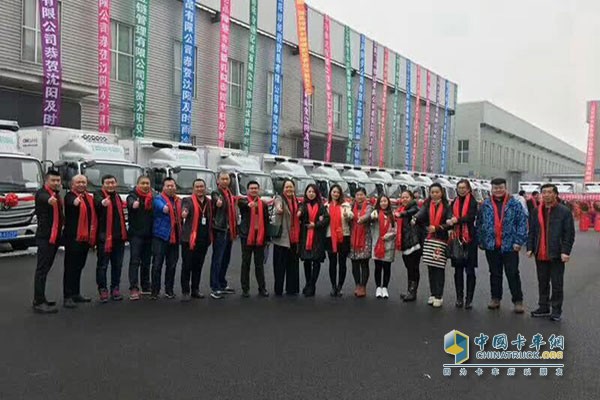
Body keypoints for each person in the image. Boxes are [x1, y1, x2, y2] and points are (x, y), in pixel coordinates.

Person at [477, 178, 528, 313]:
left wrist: (519, 241)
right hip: (491, 245)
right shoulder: (485, 204)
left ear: (505, 188)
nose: (498, 190)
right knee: (494, 273)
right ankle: (495, 298)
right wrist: (481, 240)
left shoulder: (515, 204)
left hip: (510, 245)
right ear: (491, 189)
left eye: (500, 188)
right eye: (495, 188)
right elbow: (480, 223)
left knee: (512, 273)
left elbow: (522, 223)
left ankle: (518, 300)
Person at [527, 184, 575, 321]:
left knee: (557, 283)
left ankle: (556, 310)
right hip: (540, 253)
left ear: (555, 194)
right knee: (542, 282)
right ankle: (543, 307)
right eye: (544, 192)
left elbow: (569, 234)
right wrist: (530, 247)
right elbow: (532, 232)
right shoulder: (536, 211)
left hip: (556, 253)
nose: (546, 195)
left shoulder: (564, 211)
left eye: (549, 192)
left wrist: (566, 251)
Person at [416, 183, 452, 307]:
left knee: (439, 268)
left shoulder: (447, 206)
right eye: (432, 192)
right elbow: (420, 217)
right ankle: (432, 293)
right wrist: (416, 219)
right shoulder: (426, 205)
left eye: (437, 192)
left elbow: (450, 223)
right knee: (430, 267)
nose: (435, 194)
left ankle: (439, 295)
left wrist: (437, 228)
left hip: (441, 239)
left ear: (441, 193)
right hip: (429, 239)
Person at [62, 174, 96, 309]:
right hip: (73, 238)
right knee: (70, 267)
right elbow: (72, 203)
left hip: (85, 238)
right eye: (79, 182)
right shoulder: (70, 196)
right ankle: (67, 296)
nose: (81, 184)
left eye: (83, 182)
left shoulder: (89, 198)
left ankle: (76, 293)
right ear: (72, 184)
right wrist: (77, 201)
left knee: (79, 267)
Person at [32, 170, 63, 314]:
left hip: (55, 236)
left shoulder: (56, 194)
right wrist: (50, 200)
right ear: (46, 181)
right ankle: (38, 301)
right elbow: (44, 198)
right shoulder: (43, 193)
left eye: (58, 180)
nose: (56, 183)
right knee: (42, 269)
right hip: (45, 237)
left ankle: (41, 298)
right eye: (53, 180)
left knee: (46, 268)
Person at [95, 175, 128, 303]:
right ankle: (102, 289)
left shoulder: (117, 196)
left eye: (112, 183)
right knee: (102, 265)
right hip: (104, 237)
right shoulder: (99, 194)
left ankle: (115, 288)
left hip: (118, 237)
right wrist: (103, 203)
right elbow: (98, 203)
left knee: (117, 265)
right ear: (103, 184)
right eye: (107, 183)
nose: (110, 185)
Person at [180, 179, 213, 301]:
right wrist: (184, 212)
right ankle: (185, 291)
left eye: (202, 186)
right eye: (197, 187)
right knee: (187, 265)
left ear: (205, 188)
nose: (200, 189)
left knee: (198, 266)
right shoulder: (187, 200)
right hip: (189, 239)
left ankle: (195, 289)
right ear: (193, 188)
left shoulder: (208, 202)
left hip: (203, 239)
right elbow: (185, 208)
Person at [448, 179, 479, 309]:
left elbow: (471, 217)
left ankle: (469, 299)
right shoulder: (454, 201)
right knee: (458, 270)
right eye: (459, 188)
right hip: (457, 238)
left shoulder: (473, 201)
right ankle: (459, 298)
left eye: (463, 188)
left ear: (468, 189)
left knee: (470, 270)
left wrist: (457, 220)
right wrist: (450, 220)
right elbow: (449, 214)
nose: (461, 190)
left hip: (470, 239)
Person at [238, 181, 269, 298]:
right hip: (247, 236)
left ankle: (262, 288)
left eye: (256, 188)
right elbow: (242, 204)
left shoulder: (263, 204)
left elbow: (266, 221)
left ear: (259, 190)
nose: (254, 190)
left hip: (260, 237)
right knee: (245, 263)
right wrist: (248, 205)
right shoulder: (243, 201)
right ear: (248, 190)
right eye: (251, 188)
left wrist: (267, 238)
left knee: (259, 264)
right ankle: (245, 289)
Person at [151, 177, 181, 300]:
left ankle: (169, 290)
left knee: (172, 265)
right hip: (160, 235)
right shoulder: (158, 199)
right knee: (157, 264)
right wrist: (168, 208)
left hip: (175, 236)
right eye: (168, 186)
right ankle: (155, 291)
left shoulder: (178, 200)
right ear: (163, 187)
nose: (170, 188)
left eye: (172, 185)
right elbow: (162, 208)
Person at [210, 172, 238, 299]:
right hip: (220, 229)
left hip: (229, 230)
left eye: (227, 179)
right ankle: (215, 287)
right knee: (217, 259)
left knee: (226, 259)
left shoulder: (230, 193)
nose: (225, 181)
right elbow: (216, 200)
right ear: (218, 180)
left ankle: (222, 283)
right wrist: (218, 202)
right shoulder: (216, 193)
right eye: (223, 179)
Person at [298, 184, 329, 297]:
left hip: (317, 237)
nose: (311, 193)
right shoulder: (302, 205)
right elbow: (299, 215)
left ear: (316, 193)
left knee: (316, 261)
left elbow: (326, 219)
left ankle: (312, 284)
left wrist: (315, 224)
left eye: (313, 192)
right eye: (309, 191)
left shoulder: (321, 206)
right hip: (305, 237)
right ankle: (308, 283)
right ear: (306, 193)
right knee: (306, 261)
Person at [126, 175, 154, 300]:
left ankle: (145, 285)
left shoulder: (153, 197)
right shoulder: (132, 196)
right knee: (135, 261)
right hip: (136, 234)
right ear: (137, 184)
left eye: (147, 183)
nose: (145, 185)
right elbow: (130, 203)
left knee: (147, 262)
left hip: (149, 234)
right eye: (142, 183)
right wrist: (134, 205)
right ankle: (133, 287)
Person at [271, 179, 300, 296]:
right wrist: (278, 208)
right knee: (279, 266)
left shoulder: (296, 200)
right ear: (283, 189)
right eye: (287, 187)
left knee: (292, 265)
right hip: (282, 239)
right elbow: (277, 204)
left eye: (291, 187)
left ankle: (291, 289)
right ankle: (278, 289)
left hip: (294, 238)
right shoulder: (280, 199)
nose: (289, 189)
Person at [325, 184, 353, 297]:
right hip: (330, 236)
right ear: (330, 193)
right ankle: (333, 286)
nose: (335, 194)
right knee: (332, 263)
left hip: (344, 236)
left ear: (340, 194)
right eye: (333, 192)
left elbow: (351, 215)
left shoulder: (345, 205)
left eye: (337, 192)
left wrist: (347, 215)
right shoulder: (326, 206)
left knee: (342, 263)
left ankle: (340, 286)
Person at [394, 190, 422, 302]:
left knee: (413, 268)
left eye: (407, 197)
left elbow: (412, 212)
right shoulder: (402, 208)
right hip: (405, 243)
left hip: (414, 243)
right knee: (409, 268)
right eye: (402, 197)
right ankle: (409, 290)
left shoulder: (415, 208)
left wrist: (401, 214)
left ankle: (412, 292)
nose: (404, 199)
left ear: (411, 198)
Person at [370, 195, 396, 299]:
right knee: (378, 267)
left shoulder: (392, 215)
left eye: (385, 201)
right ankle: (378, 287)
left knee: (387, 267)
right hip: (377, 244)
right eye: (381, 201)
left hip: (388, 244)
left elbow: (395, 230)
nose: (383, 203)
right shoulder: (375, 214)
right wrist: (372, 214)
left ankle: (385, 287)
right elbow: (370, 222)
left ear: (388, 202)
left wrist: (388, 235)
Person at [349, 187, 372, 298]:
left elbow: (368, 215)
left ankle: (363, 286)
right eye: (357, 195)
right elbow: (347, 215)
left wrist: (361, 218)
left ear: (365, 196)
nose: (359, 197)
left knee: (364, 263)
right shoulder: (351, 206)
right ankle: (357, 284)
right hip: (353, 238)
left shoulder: (368, 206)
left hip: (365, 238)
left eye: (362, 194)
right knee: (354, 263)